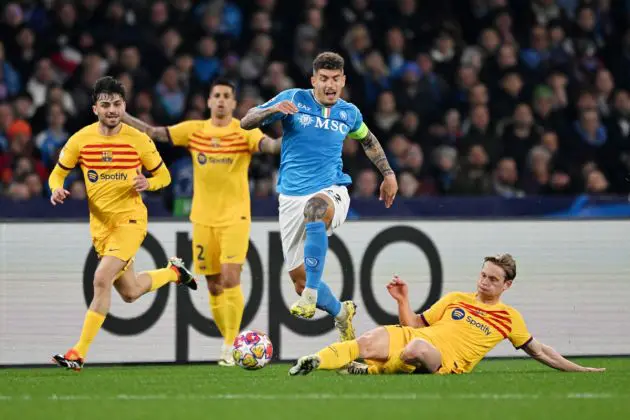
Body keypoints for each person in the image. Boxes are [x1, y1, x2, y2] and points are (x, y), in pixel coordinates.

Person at [240, 52, 398, 341]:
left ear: (343, 81)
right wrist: (271, 111)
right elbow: (246, 122)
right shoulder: (295, 99)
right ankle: (340, 313)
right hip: (289, 199)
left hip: (331, 190)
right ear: (313, 80)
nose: (330, 85)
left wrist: (388, 174)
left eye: (336, 79)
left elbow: (368, 140)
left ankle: (311, 295)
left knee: (315, 210)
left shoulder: (349, 113)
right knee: (299, 282)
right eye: (324, 79)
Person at [123, 78, 281, 366]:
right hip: (202, 218)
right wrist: (123, 116)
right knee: (214, 285)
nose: (221, 100)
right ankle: (228, 342)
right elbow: (152, 132)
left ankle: (232, 344)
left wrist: (290, 139)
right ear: (209, 101)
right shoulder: (194, 131)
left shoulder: (243, 132)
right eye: (216, 95)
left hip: (235, 217)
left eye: (226, 96)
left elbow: (269, 146)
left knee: (232, 277)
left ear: (234, 103)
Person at [48, 76, 197, 371]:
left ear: (124, 106)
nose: (112, 110)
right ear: (95, 109)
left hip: (130, 221)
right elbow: (57, 173)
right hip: (101, 227)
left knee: (101, 278)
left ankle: (78, 353)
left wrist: (148, 183)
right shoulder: (81, 140)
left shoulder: (138, 140)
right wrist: (56, 188)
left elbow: (164, 176)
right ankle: (174, 273)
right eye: (105, 105)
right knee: (130, 293)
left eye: (117, 104)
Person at [289, 253, 606, 375]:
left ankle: (371, 371)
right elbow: (413, 324)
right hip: (417, 336)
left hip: (443, 360)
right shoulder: (456, 299)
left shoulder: (509, 318)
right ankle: (314, 361)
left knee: (415, 349)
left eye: (493, 279)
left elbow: (539, 351)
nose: (484, 282)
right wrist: (403, 299)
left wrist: (578, 369)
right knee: (369, 340)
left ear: (507, 285)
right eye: (483, 275)